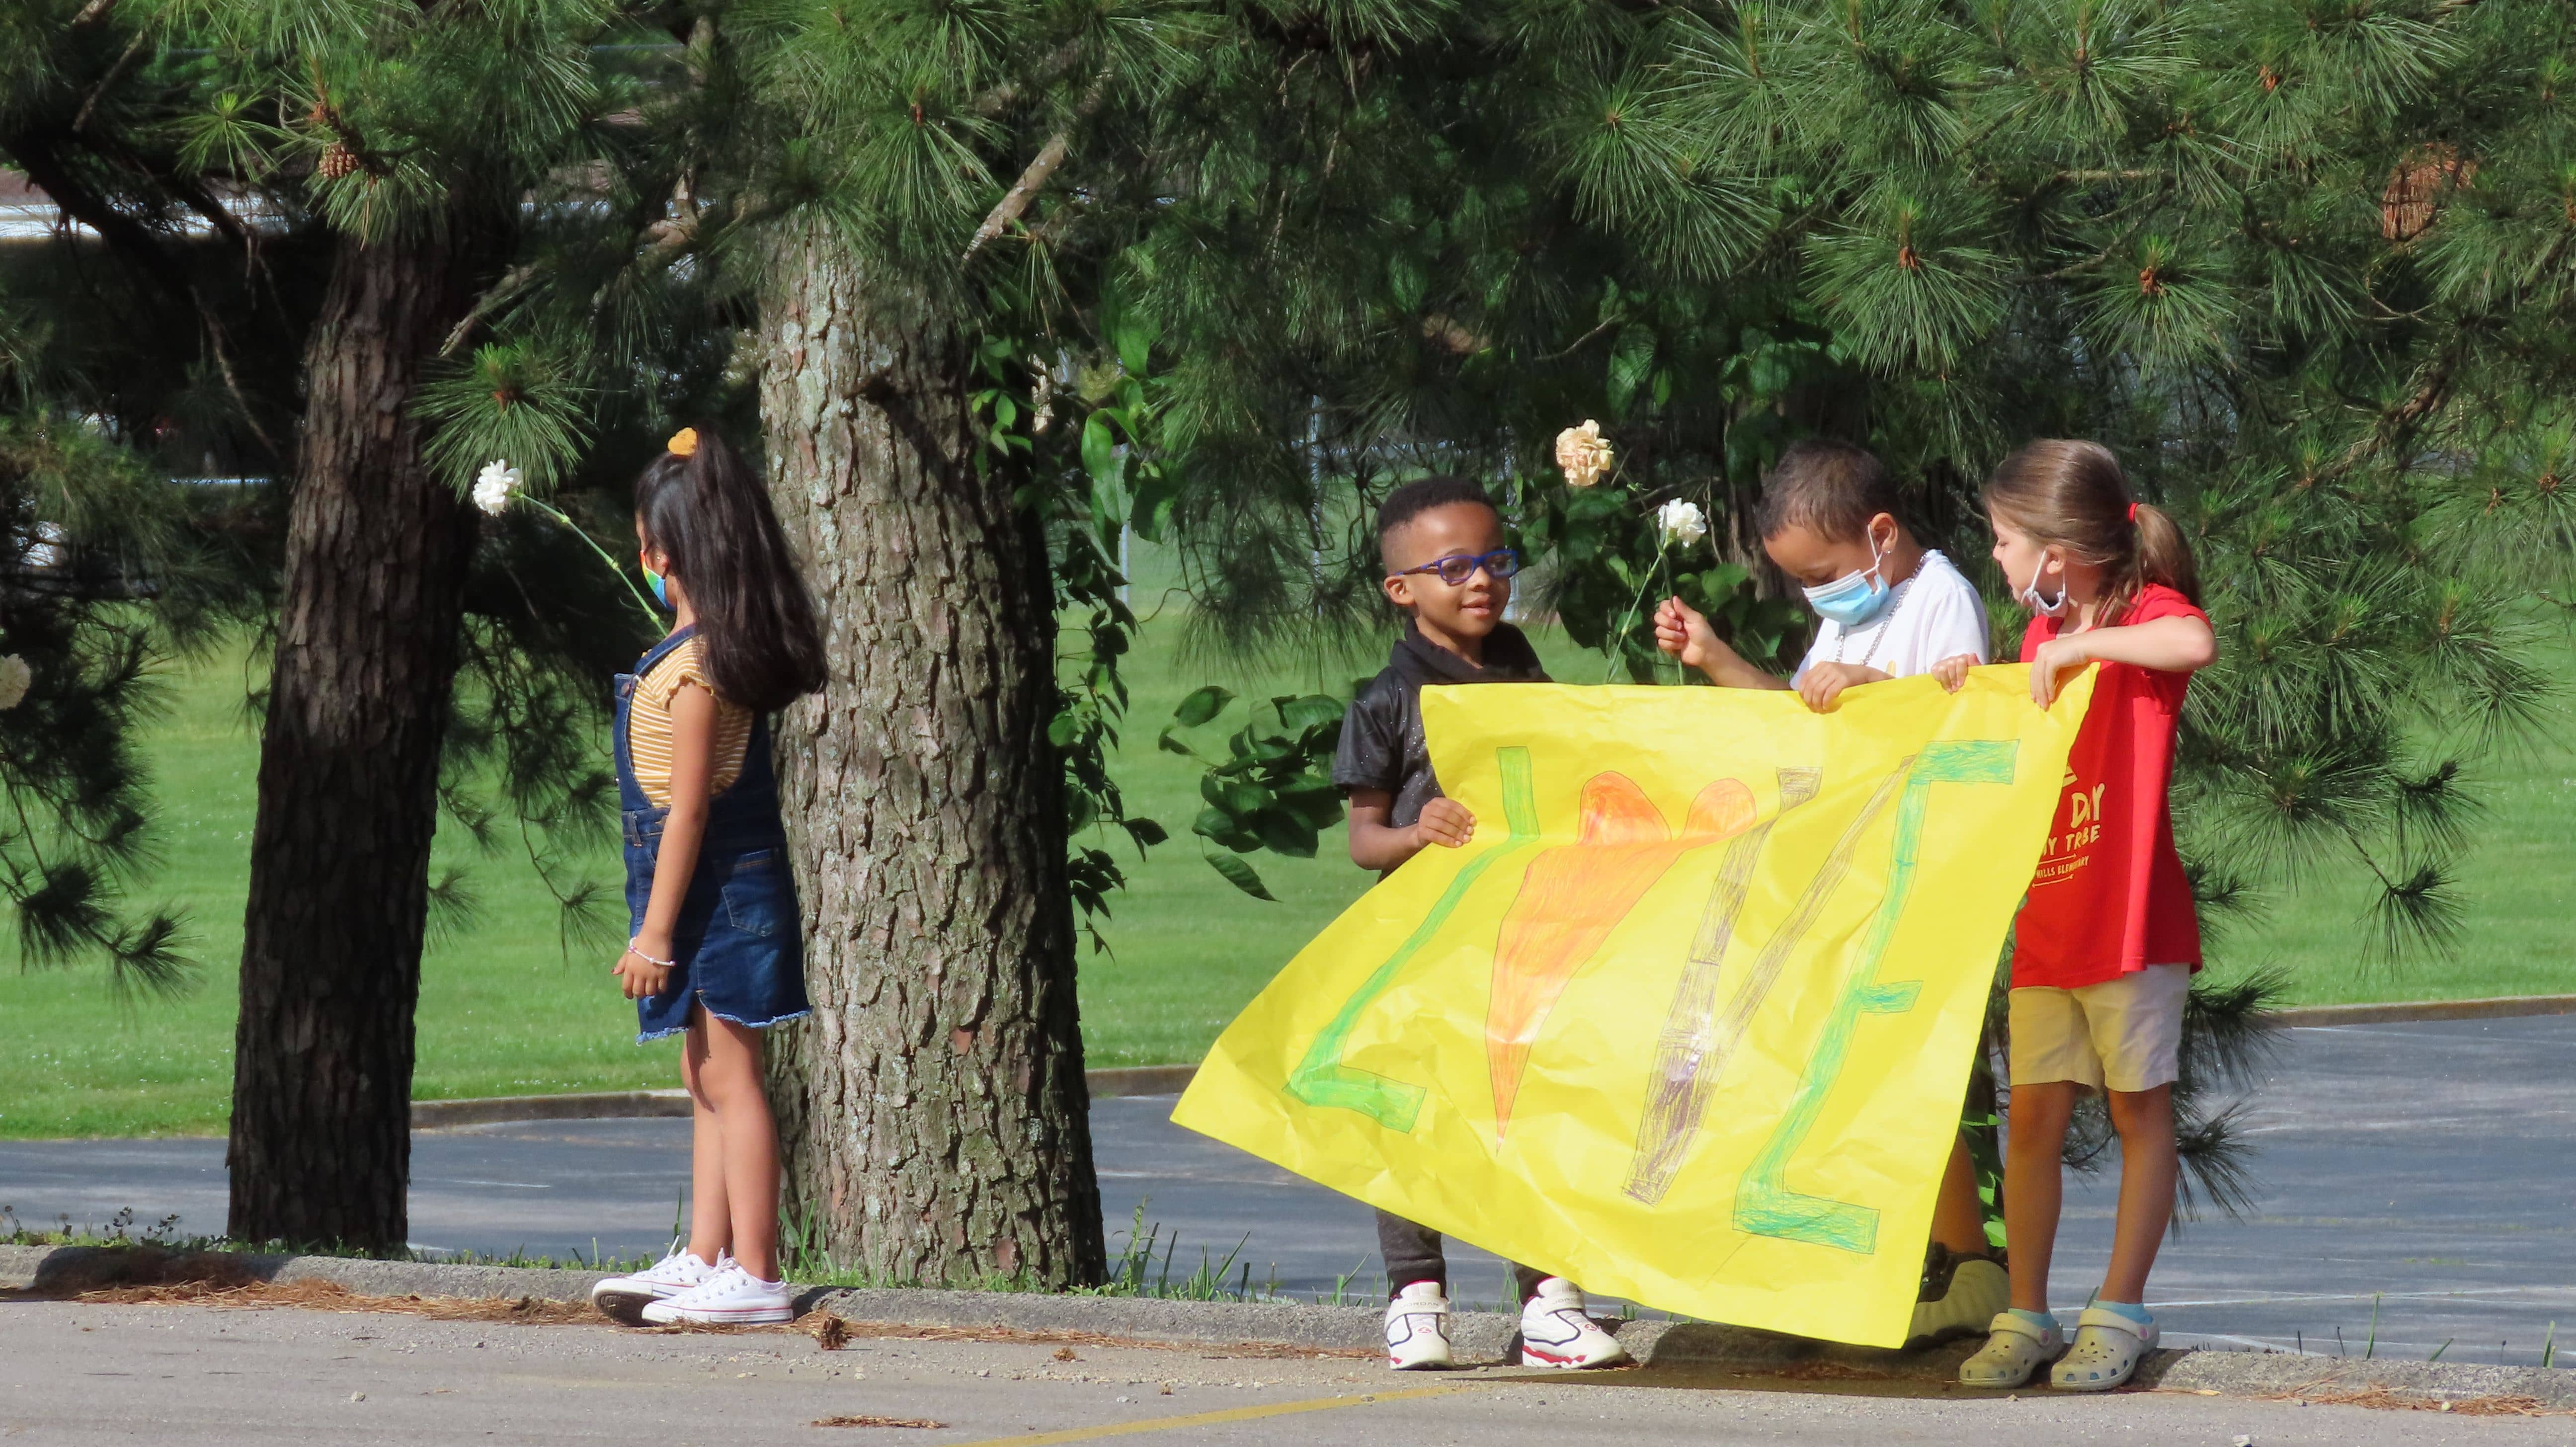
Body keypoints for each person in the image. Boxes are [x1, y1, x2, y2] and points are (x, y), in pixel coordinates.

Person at [1652, 437, 2006, 1349]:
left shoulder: (1941, 601)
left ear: (1881, 536)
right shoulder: (1852, 616)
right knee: (1861, 1073)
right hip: (1855, 880)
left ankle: (1969, 1264)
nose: (1820, 597)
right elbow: (1811, 718)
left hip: (1923, 876)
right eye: (1802, 584)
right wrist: (1719, 658)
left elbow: (1964, 720)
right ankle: (1920, 1257)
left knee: (1918, 1074)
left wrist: (1872, 683)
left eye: (1826, 574)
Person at [1332, 474, 1630, 1372]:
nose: (1481, 582)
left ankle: (1550, 1303)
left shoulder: (1523, 671)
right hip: (1425, 948)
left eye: (1495, 561)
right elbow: (1362, 842)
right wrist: (1417, 833)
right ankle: (1416, 1298)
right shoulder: (1387, 700)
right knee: (1419, 1117)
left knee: (1527, 1108)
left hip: (1526, 938)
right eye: (1454, 566)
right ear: (1401, 588)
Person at [1939, 440, 2216, 1392]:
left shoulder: (2143, 616)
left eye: (2006, 541)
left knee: (2141, 1114)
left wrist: (2088, 644)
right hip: (2052, 926)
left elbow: (2194, 643)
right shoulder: (2034, 642)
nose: (2000, 561)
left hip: (2132, 925)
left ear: (2056, 551)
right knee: (2031, 1127)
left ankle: (2120, 1311)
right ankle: (2026, 1312)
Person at [587, 426, 828, 1327]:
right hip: (704, 887)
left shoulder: (697, 674)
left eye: (645, 542)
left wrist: (654, 932)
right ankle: (704, 1254)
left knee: (732, 1079)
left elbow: (688, 814)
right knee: (703, 1079)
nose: (640, 558)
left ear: (669, 556)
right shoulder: (693, 654)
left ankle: (758, 1275)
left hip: (718, 890)